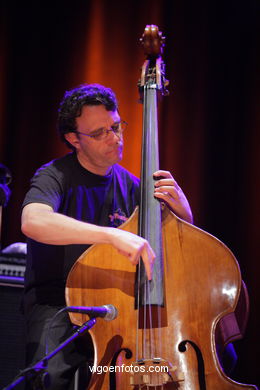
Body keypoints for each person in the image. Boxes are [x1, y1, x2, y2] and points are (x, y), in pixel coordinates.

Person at [21, 83, 193, 389]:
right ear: (73, 139)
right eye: (100, 133)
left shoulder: (134, 186)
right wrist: (111, 236)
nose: (114, 138)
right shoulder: (55, 175)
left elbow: (176, 252)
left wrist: (184, 215)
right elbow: (33, 221)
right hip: (60, 305)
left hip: (117, 307)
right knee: (50, 375)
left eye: (116, 126)